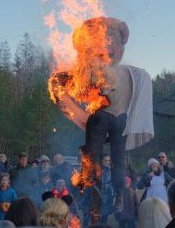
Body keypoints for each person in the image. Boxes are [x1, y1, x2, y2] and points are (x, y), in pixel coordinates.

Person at [51, 17, 155, 215]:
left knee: (95, 156)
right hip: (119, 120)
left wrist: (62, 82)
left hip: (104, 119)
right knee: (117, 157)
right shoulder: (131, 74)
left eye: (111, 39)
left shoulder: (101, 71)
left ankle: (95, 197)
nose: (106, 45)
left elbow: (78, 88)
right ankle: (114, 195)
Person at [100, 154, 114, 224]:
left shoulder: (112, 170)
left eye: (108, 160)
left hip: (108, 197)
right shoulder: (98, 170)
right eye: (105, 160)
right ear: (102, 161)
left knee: (105, 218)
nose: (107, 162)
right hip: (99, 197)